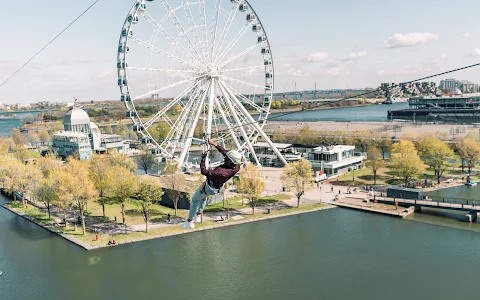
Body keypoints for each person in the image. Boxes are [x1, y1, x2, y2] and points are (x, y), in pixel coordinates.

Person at [182, 139, 242, 229]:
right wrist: (214, 144)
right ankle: (198, 215)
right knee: (203, 197)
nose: (224, 158)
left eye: (226, 158)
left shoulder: (220, 172)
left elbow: (204, 171)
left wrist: (203, 158)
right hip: (216, 188)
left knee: (194, 200)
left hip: (209, 187)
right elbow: (224, 152)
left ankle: (189, 221)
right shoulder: (236, 166)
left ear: (229, 161)